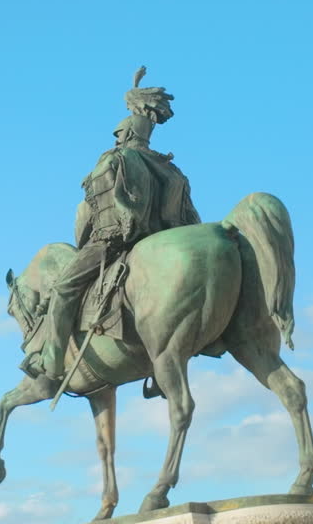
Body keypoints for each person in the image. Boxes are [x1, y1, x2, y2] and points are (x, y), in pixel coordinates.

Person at [38, 69, 200, 384]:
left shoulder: (115, 159)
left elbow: (95, 209)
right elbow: (185, 218)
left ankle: (51, 364)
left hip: (113, 241)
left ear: (125, 134)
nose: (115, 139)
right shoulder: (172, 171)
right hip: (159, 241)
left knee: (62, 289)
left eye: (117, 134)